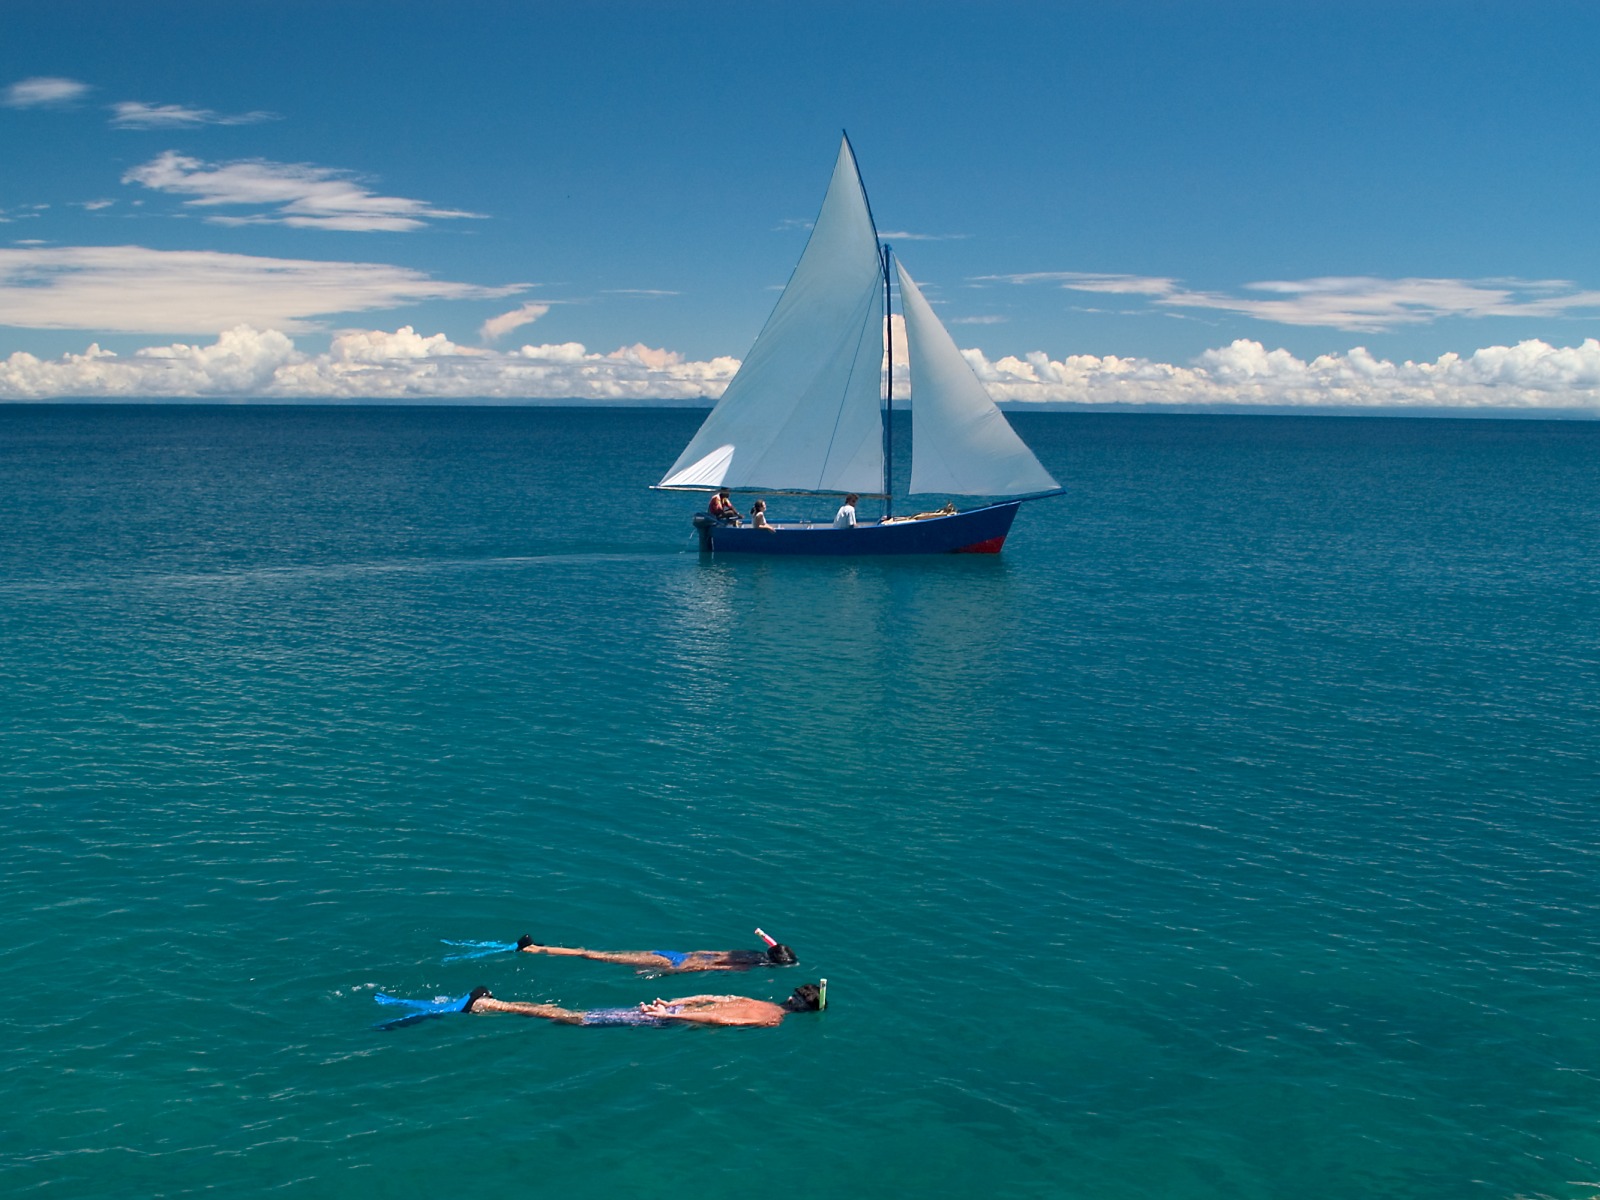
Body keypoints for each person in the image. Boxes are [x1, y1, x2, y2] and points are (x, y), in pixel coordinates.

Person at [462, 983, 824, 1027]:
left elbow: (718, 1003)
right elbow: (717, 1012)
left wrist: (676, 1004)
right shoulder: (770, 1018)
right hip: (671, 1018)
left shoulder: (763, 1004)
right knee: (580, 1018)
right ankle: (490, 1007)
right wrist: (672, 1009)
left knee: (578, 1016)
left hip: (674, 1013)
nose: (791, 999)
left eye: (797, 999)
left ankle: (497, 1005)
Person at [514, 935, 798, 972]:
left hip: (672, 952)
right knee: (593, 955)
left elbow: (705, 953)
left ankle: (538, 947)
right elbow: (705, 967)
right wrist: (666, 971)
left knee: (603, 953)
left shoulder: (743, 952)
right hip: (671, 962)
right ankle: (536, 950)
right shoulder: (745, 966)